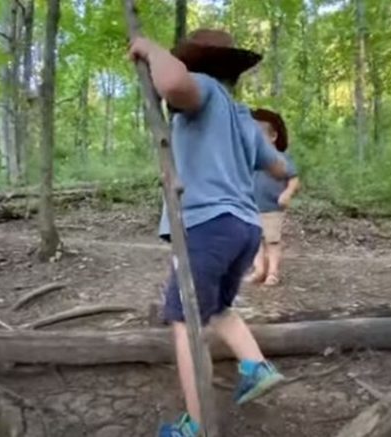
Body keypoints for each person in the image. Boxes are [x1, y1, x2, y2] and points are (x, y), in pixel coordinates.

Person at [128, 29, 293, 436]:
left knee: (185, 321)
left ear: (194, 64)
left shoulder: (201, 89)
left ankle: (196, 426)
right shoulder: (241, 116)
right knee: (216, 307)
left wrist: (150, 49)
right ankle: (256, 366)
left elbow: (171, 84)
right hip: (244, 228)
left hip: (208, 225)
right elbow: (280, 168)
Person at [244, 108, 300, 286]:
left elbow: (294, 179)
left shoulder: (280, 158)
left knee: (272, 240)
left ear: (273, 136)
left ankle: (273, 272)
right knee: (255, 242)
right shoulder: (250, 159)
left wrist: (287, 193)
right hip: (251, 208)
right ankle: (259, 270)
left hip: (272, 208)